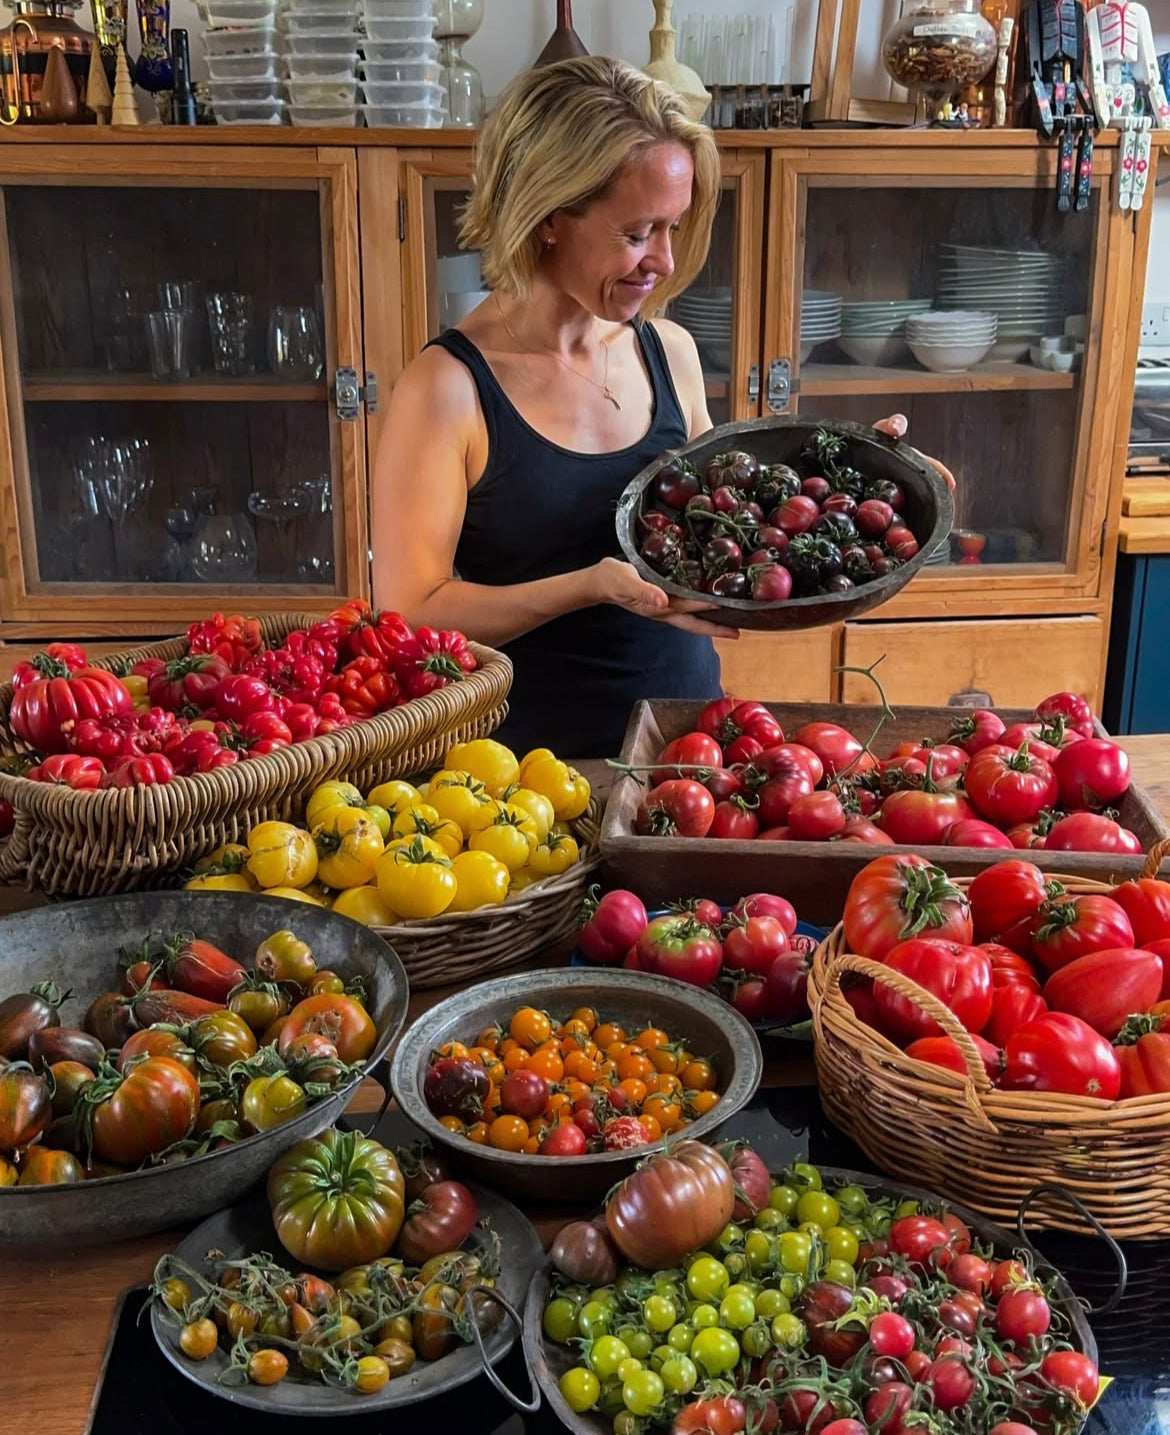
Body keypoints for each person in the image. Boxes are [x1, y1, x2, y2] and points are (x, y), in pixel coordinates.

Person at [370, 56, 952, 759]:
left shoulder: (668, 352)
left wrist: (863, 478)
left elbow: (725, 523)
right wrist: (589, 587)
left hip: (691, 750)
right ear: (548, 216)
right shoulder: (448, 388)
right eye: (638, 232)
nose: (666, 262)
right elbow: (410, 612)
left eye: (673, 227)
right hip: (526, 774)